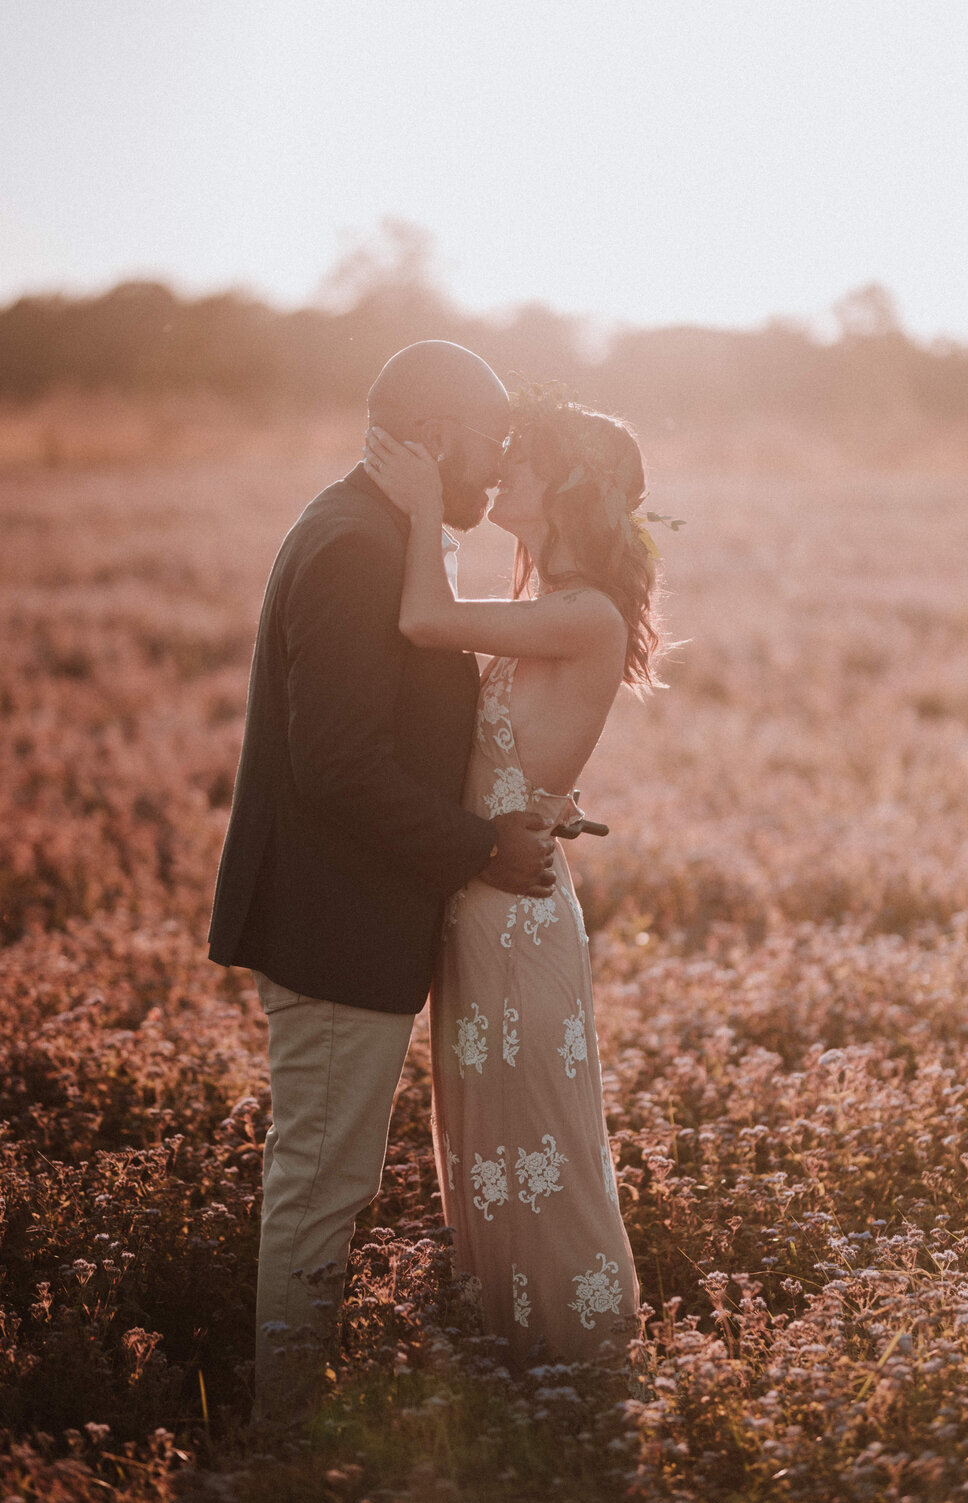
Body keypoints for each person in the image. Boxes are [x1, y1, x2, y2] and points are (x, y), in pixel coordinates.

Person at [207, 341, 556, 1422]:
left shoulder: (384, 532)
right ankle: (280, 1438)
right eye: (488, 443)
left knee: (329, 1184)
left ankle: (285, 1420)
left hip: (355, 919)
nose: (497, 470)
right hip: (330, 923)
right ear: (438, 435)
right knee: (319, 1190)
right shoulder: (354, 544)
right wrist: (479, 846)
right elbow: (340, 763)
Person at [363, 385, 662, 1367]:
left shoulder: (585, 615)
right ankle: (513, 1344)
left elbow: (422, 618)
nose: (503, 472)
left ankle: (578, 1359)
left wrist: (417, 509)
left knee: (539, 1140)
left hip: (517, 920)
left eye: (523, 461)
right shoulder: (553, 606)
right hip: (482, 905)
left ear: (568, 491)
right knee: (490, 1140)